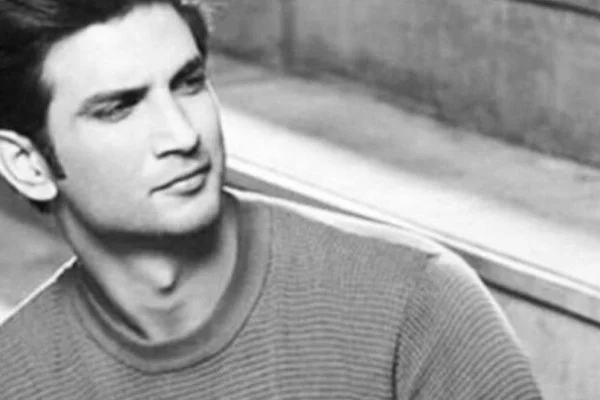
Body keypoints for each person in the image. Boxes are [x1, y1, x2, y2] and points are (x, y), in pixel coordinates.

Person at [0, 0, 542, 398]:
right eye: (120, 108)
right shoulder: (17, 378)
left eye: (188, 83)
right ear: (28, 165)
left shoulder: (414, 302)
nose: (182, 135)